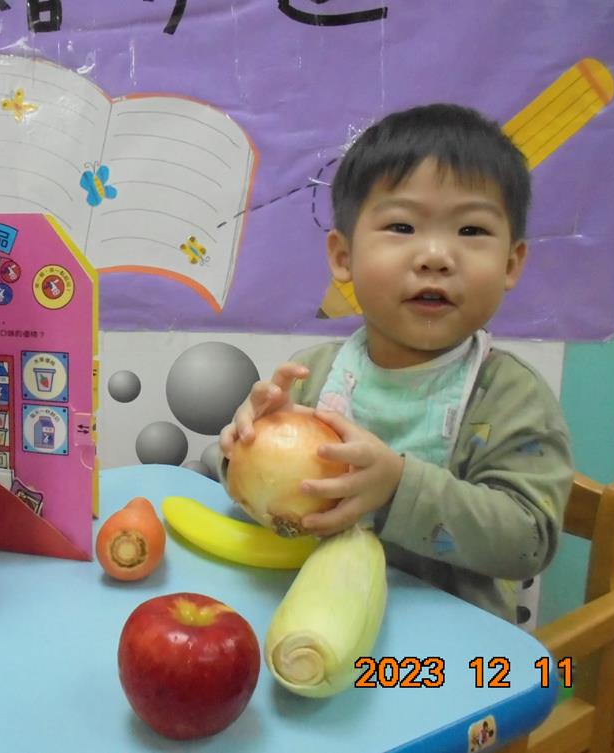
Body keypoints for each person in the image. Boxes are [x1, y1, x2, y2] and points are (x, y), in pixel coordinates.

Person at [219, 103, 573, 622]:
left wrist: (397, 489)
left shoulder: (510, 397)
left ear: (511, 263)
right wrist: (243, 449)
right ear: (343, 257)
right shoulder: (314, 375)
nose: (436, 256)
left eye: (471, 231)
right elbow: (259, 497)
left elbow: (528, 542)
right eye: (402, 226)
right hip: (310, 617)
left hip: (449, 644)